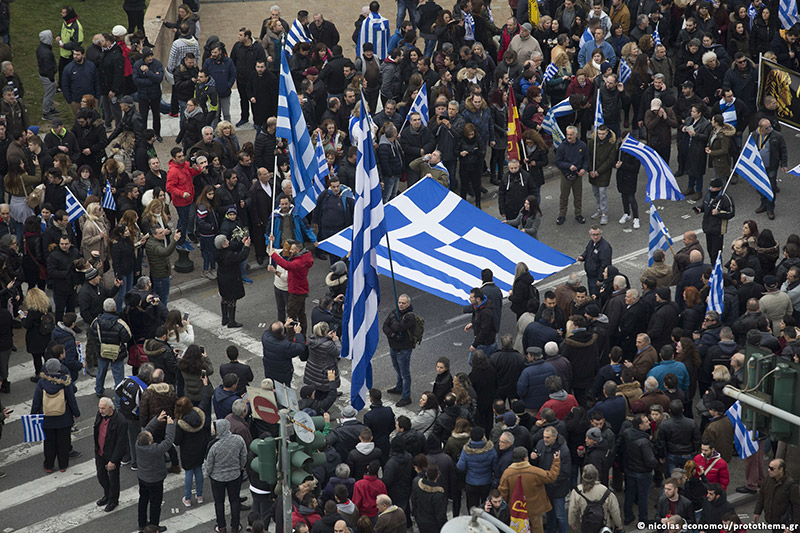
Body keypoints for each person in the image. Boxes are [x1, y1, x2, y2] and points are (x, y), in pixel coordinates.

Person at [31, 358, 81, 472]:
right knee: (63, 442)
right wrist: (76, 413)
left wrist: (33, 415)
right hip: (64, 418)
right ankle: (63, 465)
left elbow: (36, 400)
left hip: (47, 419)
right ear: (59, 368)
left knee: (49, 443)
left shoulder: (41, 382)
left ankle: (49, 465)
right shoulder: (65, 381)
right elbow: (71, 399)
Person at [498, 446, 562, 532]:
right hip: (535, 509)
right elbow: (551, 477)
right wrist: (556, 461)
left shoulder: (507, 473)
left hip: (516, 509)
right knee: (537, 529)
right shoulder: (534, 471)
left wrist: (508, 505)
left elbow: (503, 492)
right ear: (525, 458)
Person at [206, 418, 248, 532]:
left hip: (217, 478)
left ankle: (221, 526)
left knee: (219, 503)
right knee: (234, 501)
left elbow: (209, 464)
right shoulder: (238, 440)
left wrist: (209, 474)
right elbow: (244, 455)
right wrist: (240, 467)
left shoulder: (213, 445)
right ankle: (235, 526)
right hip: (234, 475)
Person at [136, 410, 175, 532]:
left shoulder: (138, 443)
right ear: (149, 442)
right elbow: (168, 441)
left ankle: (142, 523)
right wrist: (170, 425)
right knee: (155, 504)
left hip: (142, 477)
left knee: (143, 500)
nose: (152, 436)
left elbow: (146, 431)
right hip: (155, 480)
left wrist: (156, 420)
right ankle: (154, 526)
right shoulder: (155, 449)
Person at [269, 237, 315, 333]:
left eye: (291, 249)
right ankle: (302, 334)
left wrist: (273, 256)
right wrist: (271, 242)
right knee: (301, 314)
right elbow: (270, 250)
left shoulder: (298, 262)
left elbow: (287, 266)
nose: (289, 250)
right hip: (299, 290)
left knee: (291, 317)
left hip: (295, 291)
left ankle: (291, 337)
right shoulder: (303, 258)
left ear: (298, 250)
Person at [89, 298, 132, 399]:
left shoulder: (96, 322)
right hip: (117, 353)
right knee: (118, 378)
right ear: (114, 308)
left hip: (102, 352)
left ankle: (99, 390)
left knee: (101, 372)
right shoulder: (120, 323)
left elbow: (92, 334)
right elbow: (127, 337)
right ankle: (118, 400)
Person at [94, 397, 128, 512]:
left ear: (110, 408)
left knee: (113, 480)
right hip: (100, 453)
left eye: (103, 408)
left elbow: (121, 443)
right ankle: (107, 495)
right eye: (99, 408)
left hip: (112, 455)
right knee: (101, 476)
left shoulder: (120, 421)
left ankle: (113, 500)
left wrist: (113, 460)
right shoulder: (100, 415)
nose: (100, 410)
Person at [382, 294, 417, 407]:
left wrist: (393, 323)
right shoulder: (394, 312)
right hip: (393, 347)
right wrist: (392, 334)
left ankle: (406, 397)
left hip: (404, 349)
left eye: (403, 303)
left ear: (408, 304)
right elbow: (385, 326)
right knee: (397, 369)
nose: (400, 305)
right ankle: (399, 387)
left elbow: (398, 327)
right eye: (399, 302)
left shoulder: (410, 317)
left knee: (405, 374)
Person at [752, 118, 787, 220]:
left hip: (771, 166)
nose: (770, 129)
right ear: (761, 128)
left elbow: (783, 150)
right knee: (761, 186)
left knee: (771, 187)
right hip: (759, 166)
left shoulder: (777, 136)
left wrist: (783, 164)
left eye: (770, 126)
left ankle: (770, 208)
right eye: (767, 127)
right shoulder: (754, 135)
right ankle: (763, 204)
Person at [214, 233, 252, 328]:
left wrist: (241, 243)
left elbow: (231, 246)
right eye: (226, 241)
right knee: (232, 299)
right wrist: (246, 246)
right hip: (231, 278)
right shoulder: (228, 256)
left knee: (224, 298)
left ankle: (224, 318)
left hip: (222, 277)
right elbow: (242, 256)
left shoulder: (218, 252)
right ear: (223, 245)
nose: (228, 241)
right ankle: (231, 321)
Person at [554, 126, 588, 226]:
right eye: (567, 134)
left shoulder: (582, 145)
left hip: (578, 175)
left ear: (576, 135)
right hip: (566, 175)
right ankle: (562, 215)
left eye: (571, 135)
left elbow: (586, 159)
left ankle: (578, 214)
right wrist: (568, 166)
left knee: (578, 196)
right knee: (564, 196)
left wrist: (584, 169)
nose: (569, 136)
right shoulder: (562, 146)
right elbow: (558, 162)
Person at [754, 458, 800, 527]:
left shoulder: (791, 486)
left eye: (772, 469)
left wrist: (794, 525)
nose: (769, 470)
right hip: (773, 522)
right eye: (769, 468)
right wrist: (757, 512)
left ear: (781, 469)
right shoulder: (768, 480)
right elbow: (762, 496)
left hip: (785, 523)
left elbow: (796, 506)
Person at [261, 319, 306, 386]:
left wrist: (284, 326)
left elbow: (269, 331)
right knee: (284, 392)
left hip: (269, 371)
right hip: (283, 375)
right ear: (282, 332)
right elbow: (300, 347)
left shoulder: (265, 337)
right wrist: (298, 333)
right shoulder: (285, 346)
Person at [577, 226, 612, 297]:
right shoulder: (591, 242)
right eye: (594, 235)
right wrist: (582, 257)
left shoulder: (605, 247)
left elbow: (605, 264)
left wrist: (600, 279)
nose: (595, 237)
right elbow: (587, 252)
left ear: (601, 234)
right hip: (590, 275)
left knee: (595, 296)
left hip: (596, 278)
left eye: (597, 234)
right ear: (590, 235)